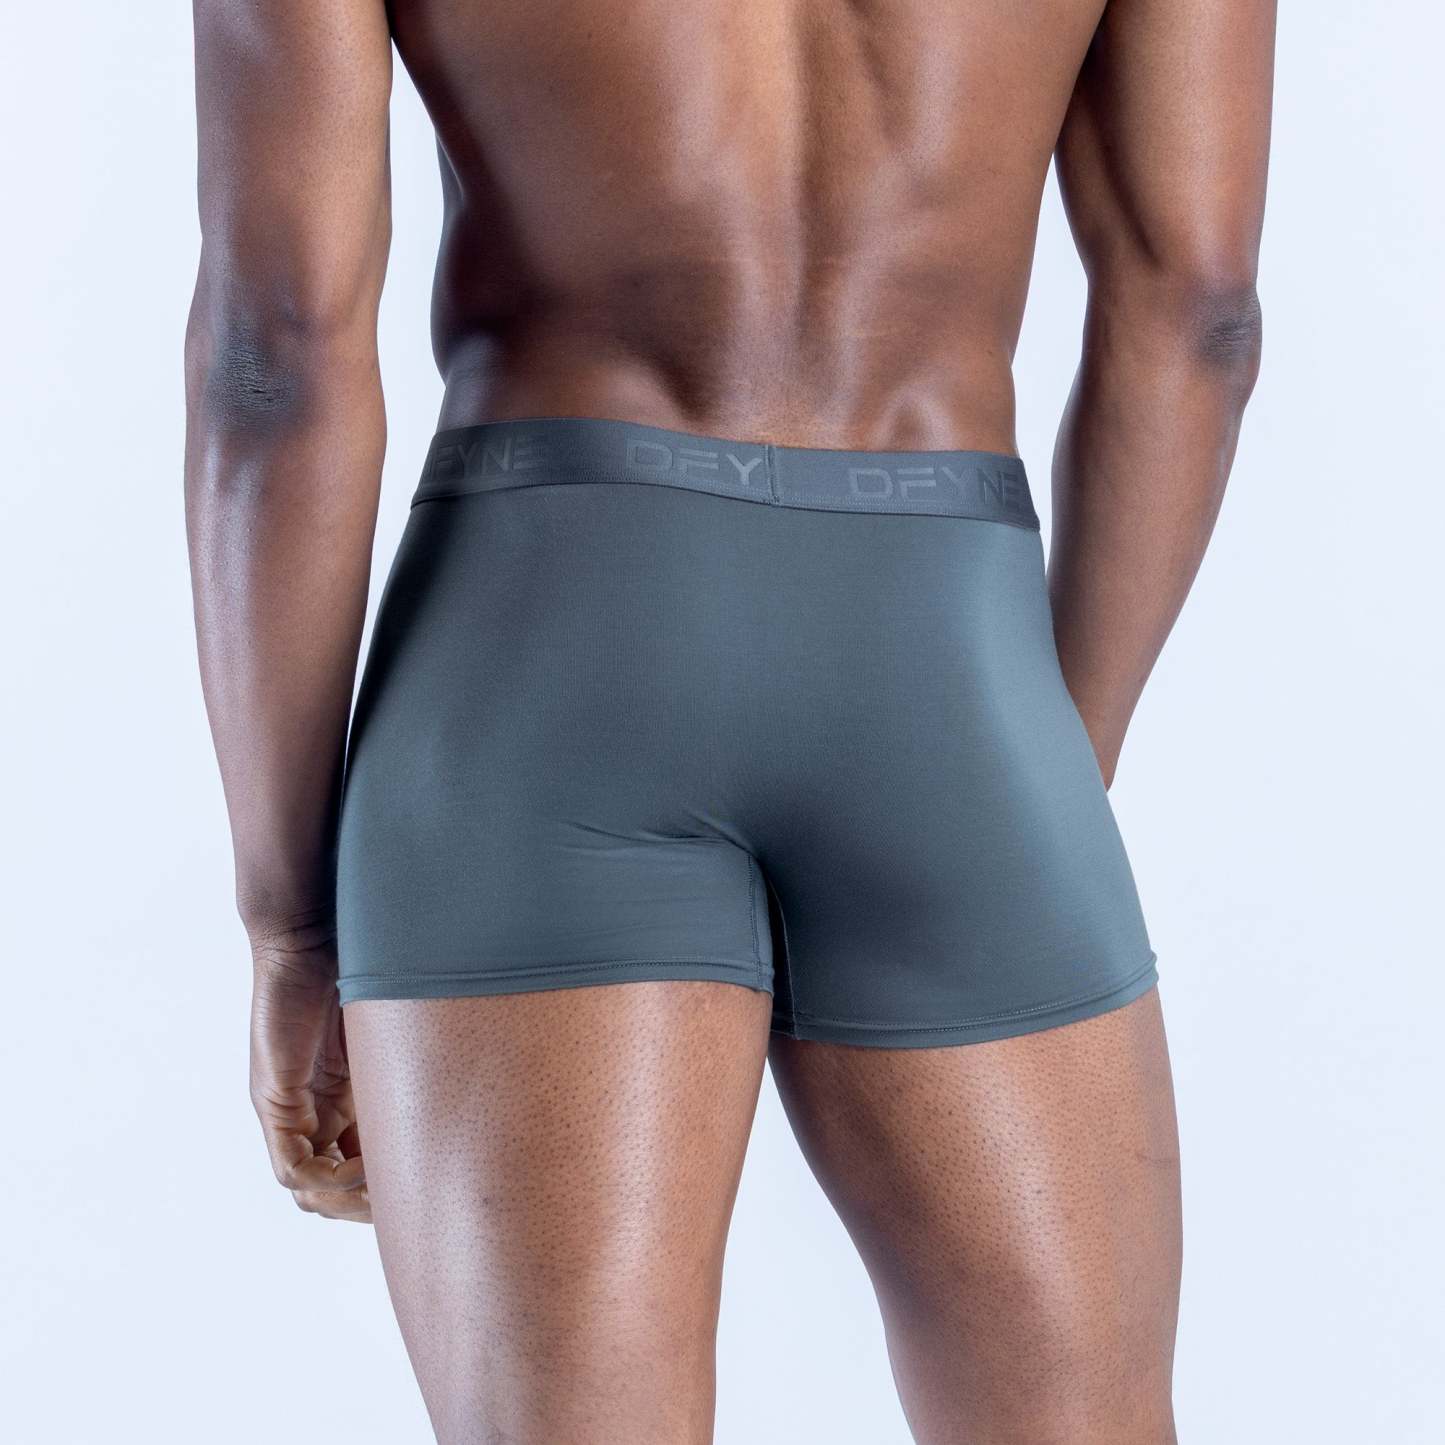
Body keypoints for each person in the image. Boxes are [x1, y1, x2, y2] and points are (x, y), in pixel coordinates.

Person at [184, 1, 1273, 1439]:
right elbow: (1197, 314)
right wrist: (1034, 768)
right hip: (948, 652)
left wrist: (289, 926)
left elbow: (278, 353)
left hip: (545, 649)